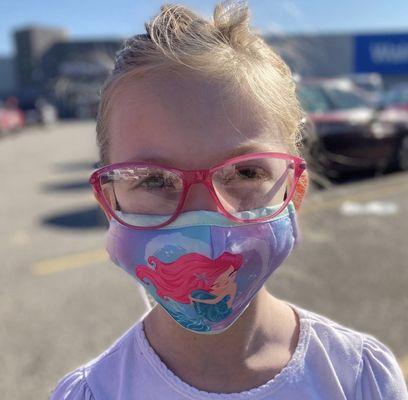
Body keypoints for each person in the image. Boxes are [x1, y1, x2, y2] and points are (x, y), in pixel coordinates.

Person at [50, 2, 407, 399]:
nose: (202, 216)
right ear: (109, 203)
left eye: (245, 173)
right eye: (152, 179)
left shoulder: (357, 378)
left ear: (293, 193)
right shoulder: (93, 393)